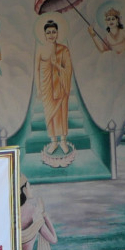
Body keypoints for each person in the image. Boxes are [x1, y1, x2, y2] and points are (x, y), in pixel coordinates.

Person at [35, 19, 75, 161]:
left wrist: (56, 64)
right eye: (48, 32)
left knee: (62, 113)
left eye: (53, 32)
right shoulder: (40, 49)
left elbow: (68, 69)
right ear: (44, 35)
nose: (51, 35)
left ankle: (63, 140)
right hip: (47, 86)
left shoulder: (63, 49)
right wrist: (38, 88)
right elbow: (36, 69)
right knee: (50, 115)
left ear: (57, 33)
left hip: (60, 86)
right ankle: (53, 141)